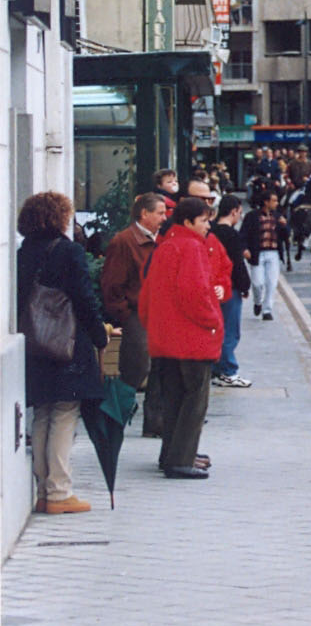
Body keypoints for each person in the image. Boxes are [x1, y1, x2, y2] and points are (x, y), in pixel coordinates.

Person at [19, 192, 108, 514]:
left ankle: (44, 490)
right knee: (65, 412)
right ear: (59, 217)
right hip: (66, 344)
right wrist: (99, 335)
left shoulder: (23, 251)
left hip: (34, 343)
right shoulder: (68, 252)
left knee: (43, 411)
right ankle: (59, 491)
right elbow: (84, 298)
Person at [140, 197, 224, 479]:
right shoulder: (192, 247)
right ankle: (181, 458)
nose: (208, 227)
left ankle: (172, 454)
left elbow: (147, 294)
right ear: (189, 222)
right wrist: (212, 320)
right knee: (195, 401)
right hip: (191, 338)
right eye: (204, 221)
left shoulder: (165, 247)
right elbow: (195, 292)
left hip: (165, 337)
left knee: (174, 399)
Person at [100, 192, 166, 434]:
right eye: (159, 213)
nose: (163, 217)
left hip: (158, 313)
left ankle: (155, 422)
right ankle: (115, 416)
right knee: (136, 366)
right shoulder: (124, 241)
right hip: (137, 313)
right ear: (144, 214)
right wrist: (125, 314)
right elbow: (112, 284)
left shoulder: (161, 239)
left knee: (159, 369)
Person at [211, 195, 252, 387]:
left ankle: (215, 367)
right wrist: (245, 285)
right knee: (230, 330)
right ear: (234, 211)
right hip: (230, 287)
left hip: (211, 286)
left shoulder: (210, 231)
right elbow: (237, 264)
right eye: (239, 213)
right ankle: (228, 370)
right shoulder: (231, 235)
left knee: (217, 327)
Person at [240, 190, 285, 322]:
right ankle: (258, 301)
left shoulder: (277, 216)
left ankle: (267, 310)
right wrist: (244, 248)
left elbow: (285, 236)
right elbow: (243, 234)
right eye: (274, 200)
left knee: (272, 282)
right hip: (257, 253)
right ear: (266, 202)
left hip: (273, 252)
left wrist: (284, 226)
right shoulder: (252, 216)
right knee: (257, 283)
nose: (276, 203)